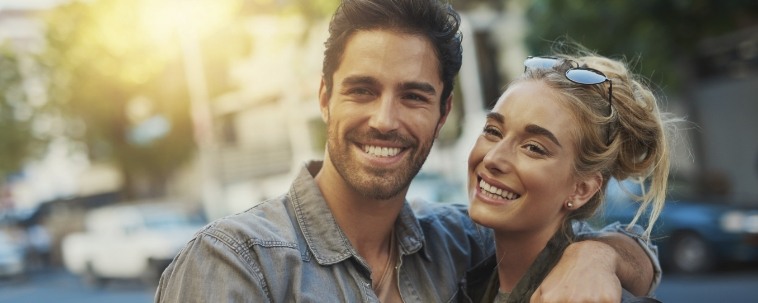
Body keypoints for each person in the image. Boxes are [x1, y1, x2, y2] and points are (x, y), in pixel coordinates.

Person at [155, 1, 660, 302]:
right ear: (325, 98)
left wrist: (596, 255)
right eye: (362, 91)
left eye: (414, 96)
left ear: (443, 114)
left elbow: (583, 239)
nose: (385, 120)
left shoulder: (459, 244)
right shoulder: (237, 261)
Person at [461, 53, 674, 302]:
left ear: (581, 189)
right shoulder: (470, 273)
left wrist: (598, 255)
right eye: (493, 131)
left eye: (534, 148)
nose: (493, 159)